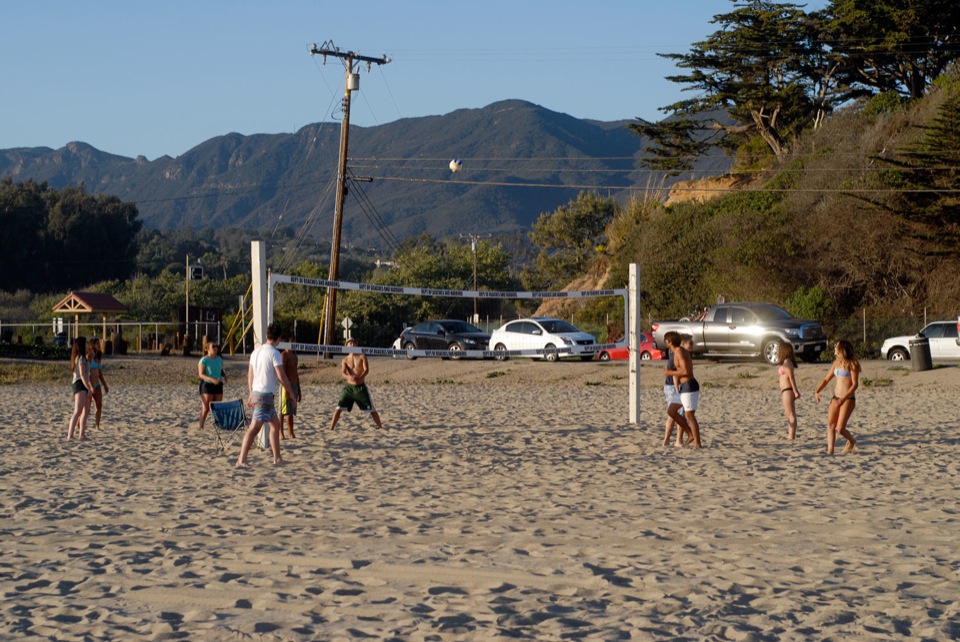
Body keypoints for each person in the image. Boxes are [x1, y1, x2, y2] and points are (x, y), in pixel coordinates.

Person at [235, 324, 298, 467]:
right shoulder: (274, 353)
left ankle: (277, 458)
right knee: (254, 428)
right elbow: (281, 376)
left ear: (266, 336)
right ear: (279, 339)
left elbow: (250, 374)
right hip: (265, 395)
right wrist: (291, 393)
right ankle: (241, 459)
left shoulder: (256, 352)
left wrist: (251, 392)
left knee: (275, 425)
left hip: (259, 393)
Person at [814, 339, 860, 455]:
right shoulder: (836, 363)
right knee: (830, 424)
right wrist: (817, 390)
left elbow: (855, 385)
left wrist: (843, 398)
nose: (834, 348)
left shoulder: (852, 363)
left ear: (842, 349)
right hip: (835, 397)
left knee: (840, 428)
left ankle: (851, 441)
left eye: (836, 346)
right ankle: (830, 451)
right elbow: (826, 379)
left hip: (848, 399)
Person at [330, 338, 384, 431]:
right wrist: (348, 377)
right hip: (349, 388)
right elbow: (343, 372)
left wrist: (359, 377)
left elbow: (366, 370)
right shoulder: (345, 359)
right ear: (346, 346)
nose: (352, 344)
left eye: (353, 343)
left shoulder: (362, 356)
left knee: (371, 409)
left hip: (360, 387)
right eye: (350, 343)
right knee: (338, 408)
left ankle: (380, 427)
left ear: (356, 345)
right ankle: (331, 428)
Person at [663, 333, 702, 448]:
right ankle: (690, 433)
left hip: (689, 386)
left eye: (666, 341)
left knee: (689, 415)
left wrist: (669, 372)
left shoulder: (680, 352)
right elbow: (678, 372)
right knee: (671, 411)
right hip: (682, 387)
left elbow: (685, 371)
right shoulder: (675, 352)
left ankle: (697, 444)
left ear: (669, 342)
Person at [661, 331, 690, 447]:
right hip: (673, 386)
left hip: (677, 386)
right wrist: (677, 389)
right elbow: (675, 374)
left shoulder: (678, 353)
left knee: (680, 414)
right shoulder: (676, 354)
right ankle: (668, 440)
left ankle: (678, 440)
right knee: (675, 414)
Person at [67, 337, 92, 440]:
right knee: (77, 411)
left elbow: (87, 372)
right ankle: (70, 435)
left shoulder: (84, 358)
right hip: (80, 384)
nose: (88, 344)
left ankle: (82, 434)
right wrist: (88, 388)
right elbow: (82, 374)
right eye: (86, 343)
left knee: (86, 410)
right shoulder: (80, 358)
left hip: (83, 384)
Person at [198, 341, 226, 431]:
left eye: (216, 346)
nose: (215, 348)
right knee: (206, 407)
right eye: (213, 346)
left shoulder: (219, 359)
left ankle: (218, 425)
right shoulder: (204, 360)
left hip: (218, 384)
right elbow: (201, 374)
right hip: (207, 384)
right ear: (208, 349)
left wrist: (224, 376)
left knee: (217, 406)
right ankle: (201, 426)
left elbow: (221, 370)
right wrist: (211, 379)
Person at [279, 336, 301, 439]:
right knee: (283, 410)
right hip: (286, 384)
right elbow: (282, 372)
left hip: (294, 384)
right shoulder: (284, 355)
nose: (293, 344)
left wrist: (299, 389)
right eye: (291, 342)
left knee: (291, 410)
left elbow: (296, 373)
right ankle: (281, 433)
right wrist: (286, 387)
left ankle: (291, 432)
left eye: (294, 342)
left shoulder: (295, 357)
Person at [777, 343, 800, 441]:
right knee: (789, 414)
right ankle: (790, 434)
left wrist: (795, 392)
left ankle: (791, 436)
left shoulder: (787, 363)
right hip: (786, 391)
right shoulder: (787, 362)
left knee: (791, 415)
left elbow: (791, 377)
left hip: (788, 391)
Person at [87, 337, 109, 430]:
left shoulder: (98, 357)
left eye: (99, 343)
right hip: (89, 384)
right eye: (97, 344)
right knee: (87, 408)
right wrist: (90, 385)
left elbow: (99, 372)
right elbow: (86, 372)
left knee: (99, 405)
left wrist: (104, 384)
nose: (99, 345)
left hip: (97, 384)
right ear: (93, 345)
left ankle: (97, 425)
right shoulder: (89, 356)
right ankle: (80, 424)